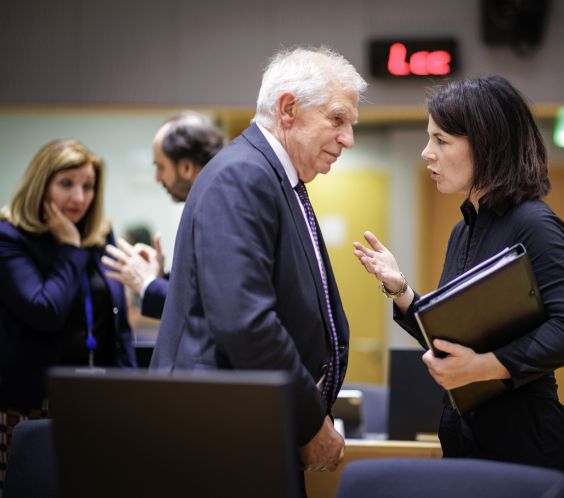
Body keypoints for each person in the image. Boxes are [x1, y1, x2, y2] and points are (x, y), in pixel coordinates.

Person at [353, 76, 564, 494]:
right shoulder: (463, 231)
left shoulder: (535, 222)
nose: (427, 152)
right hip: (467, 438)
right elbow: (454, 336)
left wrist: (482, 366)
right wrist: (401, 291)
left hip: (526, 445)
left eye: (441, 140)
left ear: (485, 145)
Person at [150, 47, 366, 482]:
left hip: (245, 423)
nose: (347, 139)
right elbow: (244, 322)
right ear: (288, 109)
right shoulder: (243, 175)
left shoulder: (271, 176)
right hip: (220, 435)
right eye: (337, 119)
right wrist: (309, 421)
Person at [0, 139, 137, 494]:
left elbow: (117, 321)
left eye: (88, 186)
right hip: (31, 402)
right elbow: (46, 311)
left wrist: (132, 389)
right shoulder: (9, 237)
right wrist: (70, 249)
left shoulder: (99, 236)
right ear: (40, 184)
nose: (79, 197)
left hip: (98, 398)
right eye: (66, 184)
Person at [102, 111, 226, 319]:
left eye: (160, 167)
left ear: (186, 167)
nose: (157, 177)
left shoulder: (219, 214)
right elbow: (200, 288)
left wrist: (148, 284)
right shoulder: (208, 207)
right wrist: (160, 277)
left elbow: (213, 306)